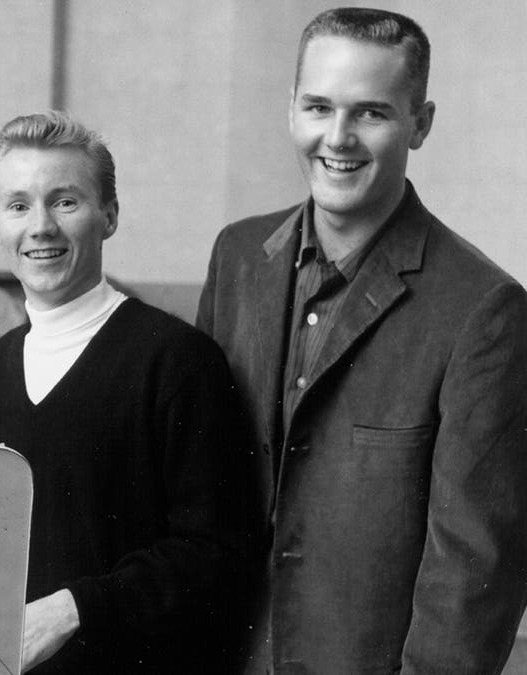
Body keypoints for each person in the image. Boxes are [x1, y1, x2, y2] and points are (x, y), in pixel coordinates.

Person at [197, 8, 527, 673]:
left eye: (371, 113)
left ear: (421, 123)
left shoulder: (484, 310)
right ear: (292, 109)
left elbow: (472, 578)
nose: (337, 138)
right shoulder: (236, 256)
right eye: (318, 106)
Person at [0, 111, 250, 673]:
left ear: (110, 216)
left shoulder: (177, 358)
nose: (41, 226)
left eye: (66, 201)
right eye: (19, 204)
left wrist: (73, 609)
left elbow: (216, 555)